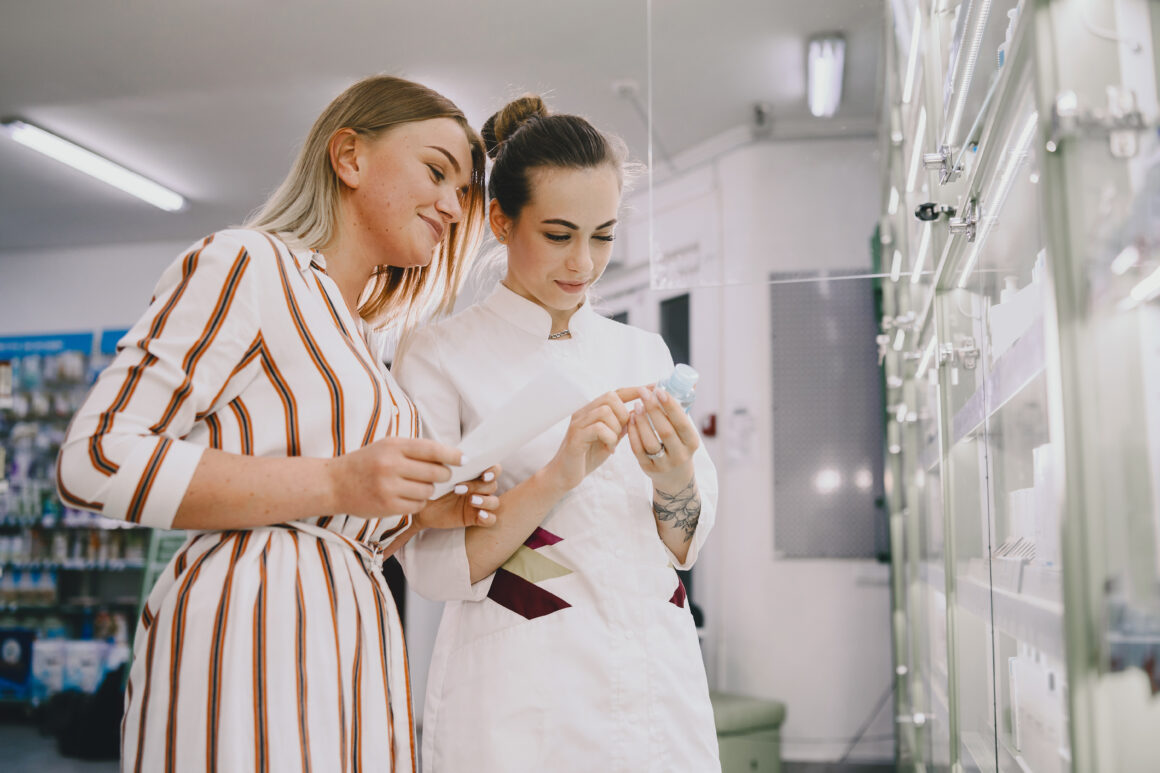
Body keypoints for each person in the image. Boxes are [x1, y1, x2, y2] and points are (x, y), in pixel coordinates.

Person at [56, 75, 503, 773]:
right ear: (348, 156)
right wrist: (337, 478)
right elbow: (98, 458)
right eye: (437, 171)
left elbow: (341, 524)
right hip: (243, 638)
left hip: (352, 645)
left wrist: (420, 511)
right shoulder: (246, 263)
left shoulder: (366, 342)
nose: (453, 204)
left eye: (464, 189)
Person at [393, 96, 720, 772]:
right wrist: (558, 475)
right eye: (559, 233)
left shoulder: (643, 354)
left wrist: (675, 480)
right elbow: (432, 563)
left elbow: (685, 545)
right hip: (523, 695)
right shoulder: (440, 355)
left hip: (657, 682)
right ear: (500, 221)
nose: (584, 263)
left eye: (602, 234)